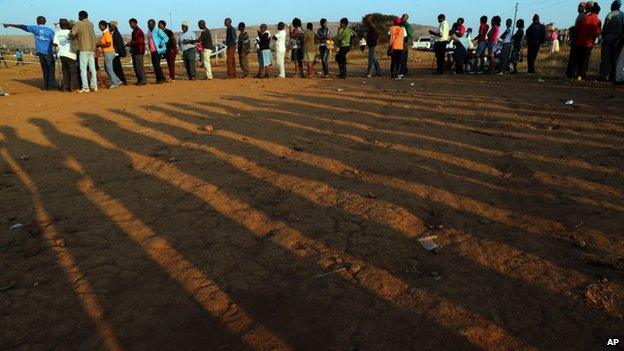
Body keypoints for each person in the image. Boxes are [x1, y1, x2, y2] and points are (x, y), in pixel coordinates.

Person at [3, 16, 55, 90]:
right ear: (45, 21)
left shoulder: (35, 28)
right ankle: (51, 86)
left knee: (45, 69)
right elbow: (54, 41)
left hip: (40, 51)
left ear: (37, 22)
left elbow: (22, 26)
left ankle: (47, 86)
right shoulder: (50, 30)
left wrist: (9, 25)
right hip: (48, 52)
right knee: (51, 69)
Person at [572, 3, 602, 80]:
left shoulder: (584, 18)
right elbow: (597, 33)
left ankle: (577, 74)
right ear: (598, 11)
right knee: (585, 60)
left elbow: (577, 29)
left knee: (579, 58)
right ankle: (581, 75)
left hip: (579, 41)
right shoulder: (597, 20)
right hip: (588, 43)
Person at [70, 11, 98, 92]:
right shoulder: (91, 24)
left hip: (83, 49)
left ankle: (85, 87)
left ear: (81, 16)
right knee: (92, 69)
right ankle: (94, 86)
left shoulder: (79, 23)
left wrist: (71, 35)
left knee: (83, 69)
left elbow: (72, 33)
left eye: (79, 16)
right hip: (91, 49)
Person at [600, 0, 624, 81]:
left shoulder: (610, 14)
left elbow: (605, 26)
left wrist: (603, 36)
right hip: (619, 40)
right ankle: (613, 76)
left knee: (606, 58)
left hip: (609, 38)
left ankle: (604, 76)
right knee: (616, 59)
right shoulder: (622, 15)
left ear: (614, 6)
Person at [53, 18, 78, 91]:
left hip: (62, 54)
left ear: (60, 25)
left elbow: (55, 44)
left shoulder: (57, 33)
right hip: (71, 54)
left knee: (65, 72)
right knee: (73, 72)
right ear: (67, 25)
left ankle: (65, 87)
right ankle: (72, 87)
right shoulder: (71, 32)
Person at [96, 20, 123, 89]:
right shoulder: (105, 33)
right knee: (107, 68)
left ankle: (115, 82)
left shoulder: (107, 33)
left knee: (109, 68)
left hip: (109, 52)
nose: (99, 27)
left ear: (103, 26)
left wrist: (99, 45)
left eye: (100, 26)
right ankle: (117, 80)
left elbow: (108, 44)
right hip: (107, 52)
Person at [146, 19, 168, 84]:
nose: (149, 25)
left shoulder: (158, 30)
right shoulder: (149, 32)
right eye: (148, 24)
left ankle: (162, 78)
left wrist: (162, 43)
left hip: (158, 50)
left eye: (150, 24)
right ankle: (158, 79)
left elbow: (166, 37)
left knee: (156, 64)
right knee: (155, 65)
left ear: (153, 24)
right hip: (152, 50)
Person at [126, 18, 147, 85]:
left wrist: (131, 43)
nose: (130, 25)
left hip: (139, 51)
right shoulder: (134, 31)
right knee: (136, 66)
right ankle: (139, 79)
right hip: (135, 51)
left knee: (139, 66)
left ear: (135, 23)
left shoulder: (139, 31)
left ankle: (143, 80)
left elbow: (140, 41)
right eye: (129, 24)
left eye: (131, 24)